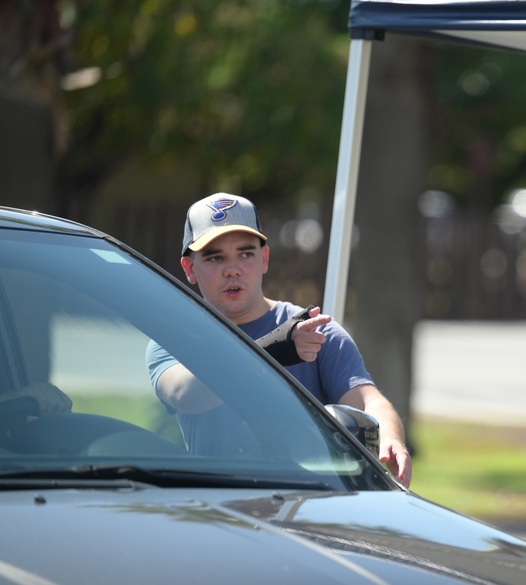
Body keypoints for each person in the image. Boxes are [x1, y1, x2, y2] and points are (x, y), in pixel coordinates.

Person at [147, 193, 411, 487]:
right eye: (215, 257)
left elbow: (368, 403)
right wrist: (277, 348)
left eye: (246, 254)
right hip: (215, 509)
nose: (232, 269)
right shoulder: (176, 339)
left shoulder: (316, 332)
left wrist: (390, 438)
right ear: (189, 269)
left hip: (308, 507)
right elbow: (187, 394)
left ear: (265, 259)